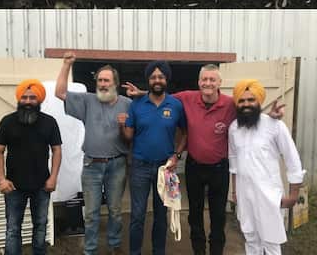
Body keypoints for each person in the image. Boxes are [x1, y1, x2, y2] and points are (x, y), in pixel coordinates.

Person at [123, 64, 284, 255]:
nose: (208, 83)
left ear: (219, 83)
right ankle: (198, 251)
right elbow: (161, 95)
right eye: (204, 79)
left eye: (212, 79)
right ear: (199, 82)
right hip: (194, 168)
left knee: (218, 217)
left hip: (219, 169)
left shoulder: (230, 104)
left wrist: (268, 117)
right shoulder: (187, 98)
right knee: (194, 215)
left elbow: (248, 110)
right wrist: (141, 93)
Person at [54, 53, 130, 255]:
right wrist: (66, 64)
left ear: (115, 83)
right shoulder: (87, 100)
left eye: (106, 80)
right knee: (91, 213)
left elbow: (133, 134)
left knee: (115, 211)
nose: (102, 84)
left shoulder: (127, 104)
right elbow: (60, 92)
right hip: (91, 166)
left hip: (117, 165)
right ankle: (90, 250)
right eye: (100, 80)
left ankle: (114, 246)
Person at [228, 79, 305, 255]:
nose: (246, 104)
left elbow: (293, 160)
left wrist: (294, 195)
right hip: (244, 195)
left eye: (251, 100)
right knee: (250, 238)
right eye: (241, 100)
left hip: (268, 195)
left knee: (271, 242)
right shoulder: (234, 129)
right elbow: (234, 162)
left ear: (259, 101)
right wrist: (235, 192)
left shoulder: (274, 125)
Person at [122, 60, 187, 255]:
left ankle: (159, 251)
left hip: (164, 169)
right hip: (140, 166)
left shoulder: (175, 105)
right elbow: (128, 136)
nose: (157, 80)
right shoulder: (136, 104)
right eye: (153, 77)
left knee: (160, 215)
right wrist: (121, 125)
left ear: (166, 79)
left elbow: (185, 133)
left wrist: (177, 154)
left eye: (161, 76)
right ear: (148, 80)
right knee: (137, 215)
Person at [0, 79, 62, 255]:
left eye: (32, 97)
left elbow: (57, 150)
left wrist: (53, 178)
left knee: (40, 226)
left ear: (39, 99)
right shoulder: (7, 122)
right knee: (13, 229)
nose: (28, 101)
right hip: (13, 186)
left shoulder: (49, 122)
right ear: (19, 99)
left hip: (42, 185)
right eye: (24, 97)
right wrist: (1, 180)